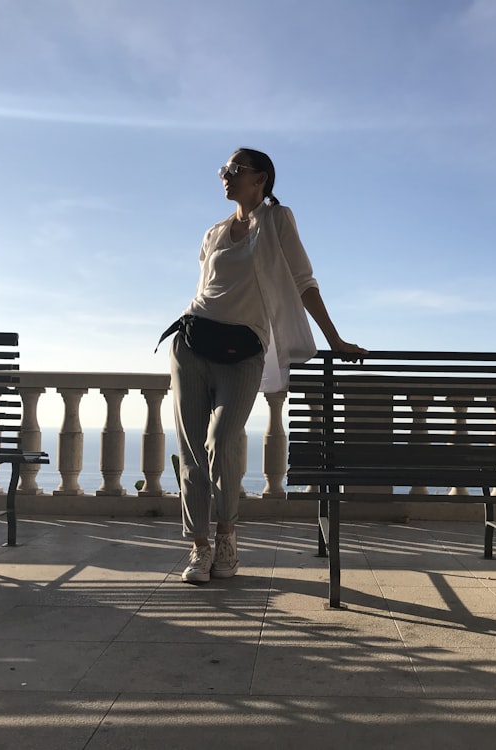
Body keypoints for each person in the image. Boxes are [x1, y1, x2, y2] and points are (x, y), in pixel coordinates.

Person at [164, 147, 367, 584]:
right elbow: (206, 288)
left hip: (244, 350)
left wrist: (334, 339)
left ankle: (227, 537)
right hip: (192, 343)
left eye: (235, 170)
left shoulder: (277, 221)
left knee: (222, 440)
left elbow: (303, 282)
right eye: (223, 169)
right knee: (192, 452)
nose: (226, 176)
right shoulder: (214, 232)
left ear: (261, 179)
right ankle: (199, 547)